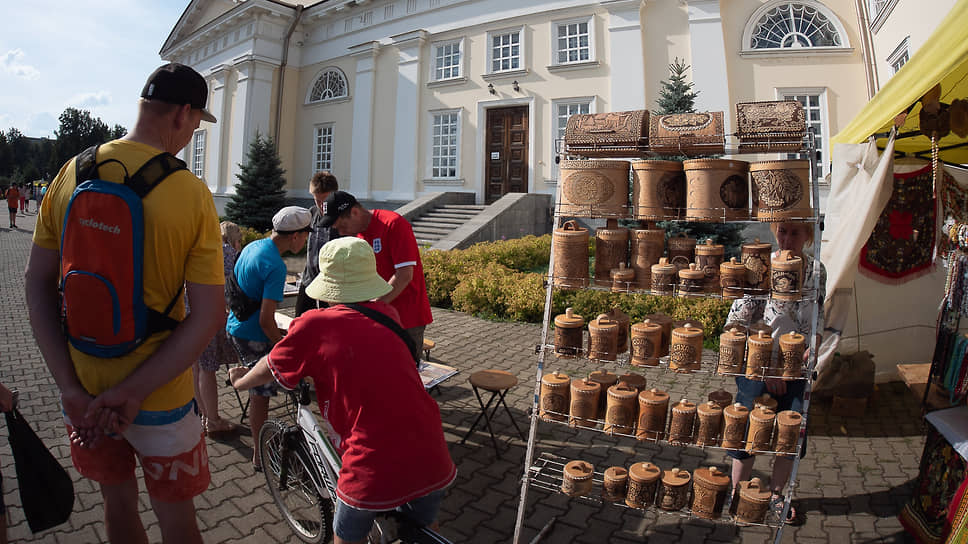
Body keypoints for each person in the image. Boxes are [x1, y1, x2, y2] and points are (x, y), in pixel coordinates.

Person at [25, 62, 224, 544]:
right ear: (182, 114)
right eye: (197, 121)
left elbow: (36, 284)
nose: (193, 132)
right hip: (161, 399)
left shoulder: (70, 172)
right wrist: (134, 392)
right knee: (177, 521)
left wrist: (69, 388)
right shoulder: (191, 192)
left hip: (85, 392)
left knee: (117, 506)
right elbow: (209, 315)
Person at [229, 237, 456, 544]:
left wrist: (241, 380)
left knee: (346, 538)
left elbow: (270, 365)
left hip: (371, 461)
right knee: (426, 528)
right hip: (431, 449)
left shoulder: (313, 325)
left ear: (328, 285)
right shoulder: (387, 315)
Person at [724, 221, 826, 524]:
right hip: (758, 362)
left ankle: (777, 494)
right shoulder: (761, 266)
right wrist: (763, 367)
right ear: (774, 232)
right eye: (782, 231)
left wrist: (814, 349)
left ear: (808, 235)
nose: (787, 239)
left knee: (790, 433)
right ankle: (737, 490)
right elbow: (739, 321)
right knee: (747, 430)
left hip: (796, 367)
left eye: (795, 232)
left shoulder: (817, 270)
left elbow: (818, 316)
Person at [226, 206, 310, 469]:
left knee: (260, 390)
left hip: (236, 326)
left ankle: (263, 445)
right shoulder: (274, 264)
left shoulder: (254, 246)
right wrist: (284, 343)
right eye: (306, 235)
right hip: (253, 333)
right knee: (261, 392)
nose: (306, 241)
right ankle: (260, 454)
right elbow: (265, 321)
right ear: (295, 236)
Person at [319, 190, 433, 360]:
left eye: (342, 226)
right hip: (378, 315)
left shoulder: (393, 224)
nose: (341, 233)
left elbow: (404, 275)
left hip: (406, 318)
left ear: (355, 213)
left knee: (403, 374)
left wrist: (372, 309)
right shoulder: (357, 235)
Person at [193, 221, 244, 436]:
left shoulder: (205, 248)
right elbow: (232, 288)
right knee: (208, 368)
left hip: (191, 312)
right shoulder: (230, 254)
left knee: (196, 367)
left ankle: (203, 415)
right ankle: (213, 420)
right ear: (234, 240)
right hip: (210, 314)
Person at [294, 171, 340, 317]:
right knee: (300, 321)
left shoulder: (341, 219)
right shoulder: (312, 213)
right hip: (309, 280)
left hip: (332, 286)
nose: (321, 205)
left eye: (325, 200)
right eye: (317, 200)